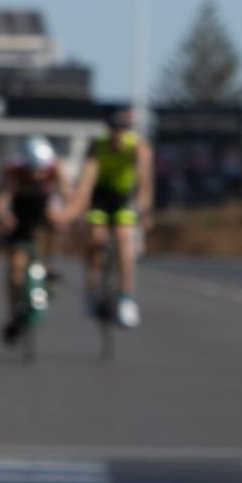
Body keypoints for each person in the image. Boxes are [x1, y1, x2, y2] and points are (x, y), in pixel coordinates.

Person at [71, 107, 153, 327]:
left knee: (123, 241)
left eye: (122, 130)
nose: (118, 135)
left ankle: (127, 299)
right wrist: (80, 209)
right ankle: (92, 290)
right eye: (114, 130)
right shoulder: (97, 146)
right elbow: (86, 181)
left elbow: (144, 182)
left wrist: (144, 211)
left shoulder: (137, 147)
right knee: (95, 239)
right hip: (100, 196)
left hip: (122, 198)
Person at [0, 134, 72, 344]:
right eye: (33, 169)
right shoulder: (14, 172)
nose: (38, 174)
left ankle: (50, 266)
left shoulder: (55, 169)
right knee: (15, 268)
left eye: (41, 169)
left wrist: (65, 216)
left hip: (45, 212)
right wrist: (4, 216)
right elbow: (1, 200)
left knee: (54, 224)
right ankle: (15, 315)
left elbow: (67, 196)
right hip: (21, 216)